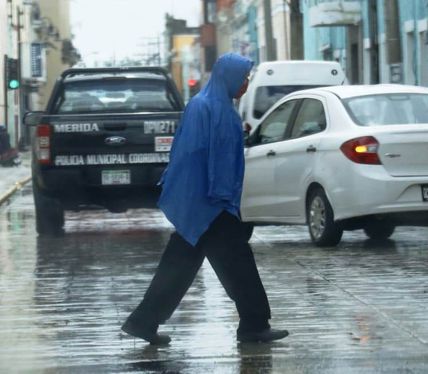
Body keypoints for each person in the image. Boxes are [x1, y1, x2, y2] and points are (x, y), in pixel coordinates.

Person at [121, 53, 288, 345]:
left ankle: (143, 321)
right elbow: (199, 154)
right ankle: (253, 325)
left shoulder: (215, 106)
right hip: (210, 202)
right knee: (238, 263)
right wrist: (219, 197)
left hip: (204, 202)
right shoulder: (208, 108)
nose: (246, 84)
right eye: (243, 78)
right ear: (229, 78)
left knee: (180, 264)